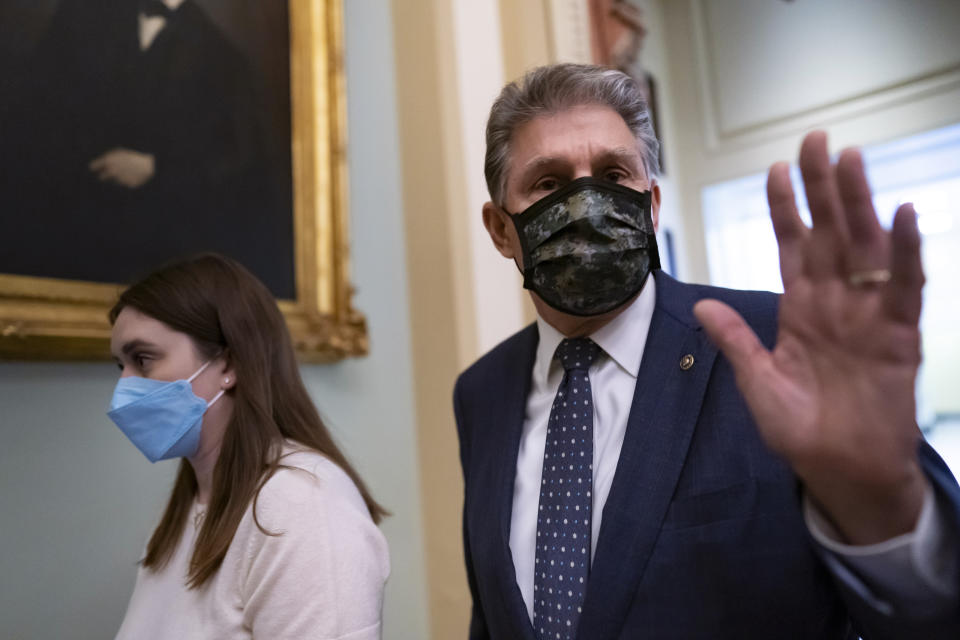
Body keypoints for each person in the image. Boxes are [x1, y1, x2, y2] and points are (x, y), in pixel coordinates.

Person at [454, 63, 960, 639]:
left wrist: (881, 502)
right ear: (500, 230)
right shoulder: (481, 393)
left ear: (651, 205)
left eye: (614, 173)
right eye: (548, 183)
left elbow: (937, 610)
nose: (587, 203)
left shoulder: (776, 341)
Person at [107, 254, 388, 639]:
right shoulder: (183, 511)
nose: (124, 387)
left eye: (143, 359)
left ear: (228, 364)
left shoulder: (301, 505)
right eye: (119, 366)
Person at [2, 0, 292, 296]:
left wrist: (156, 168)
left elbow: (233, 165)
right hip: (69, 225)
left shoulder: (223, 61)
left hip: (160, 247)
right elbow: (33, 112)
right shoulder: (80, 18)